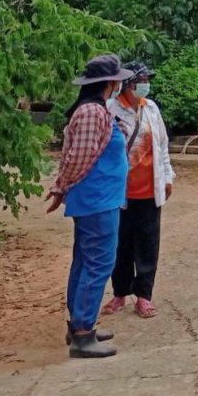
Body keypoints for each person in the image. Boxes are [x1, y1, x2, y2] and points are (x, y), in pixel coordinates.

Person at [45, 54, 133, 359]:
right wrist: (61, 187)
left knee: (85, 261)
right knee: (98, 264)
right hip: (97, 201)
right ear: (110, 83)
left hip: (97, 199)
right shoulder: (93, 113)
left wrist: (62, 188)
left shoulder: (92, 111)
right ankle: (83, 333)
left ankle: (80, 325)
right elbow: (77, 158)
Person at [102, 62, 173, 319]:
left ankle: (143, 296)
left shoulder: (151, 109)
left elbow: (162, 146)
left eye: (146, 79)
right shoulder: (110, 110)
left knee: (147, 243)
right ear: (127, 85)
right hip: (119, 192)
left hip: (148, 191)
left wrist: (167, 177)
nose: (145, 83)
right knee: (120, 243)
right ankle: (119, 293)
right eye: (140, 79)